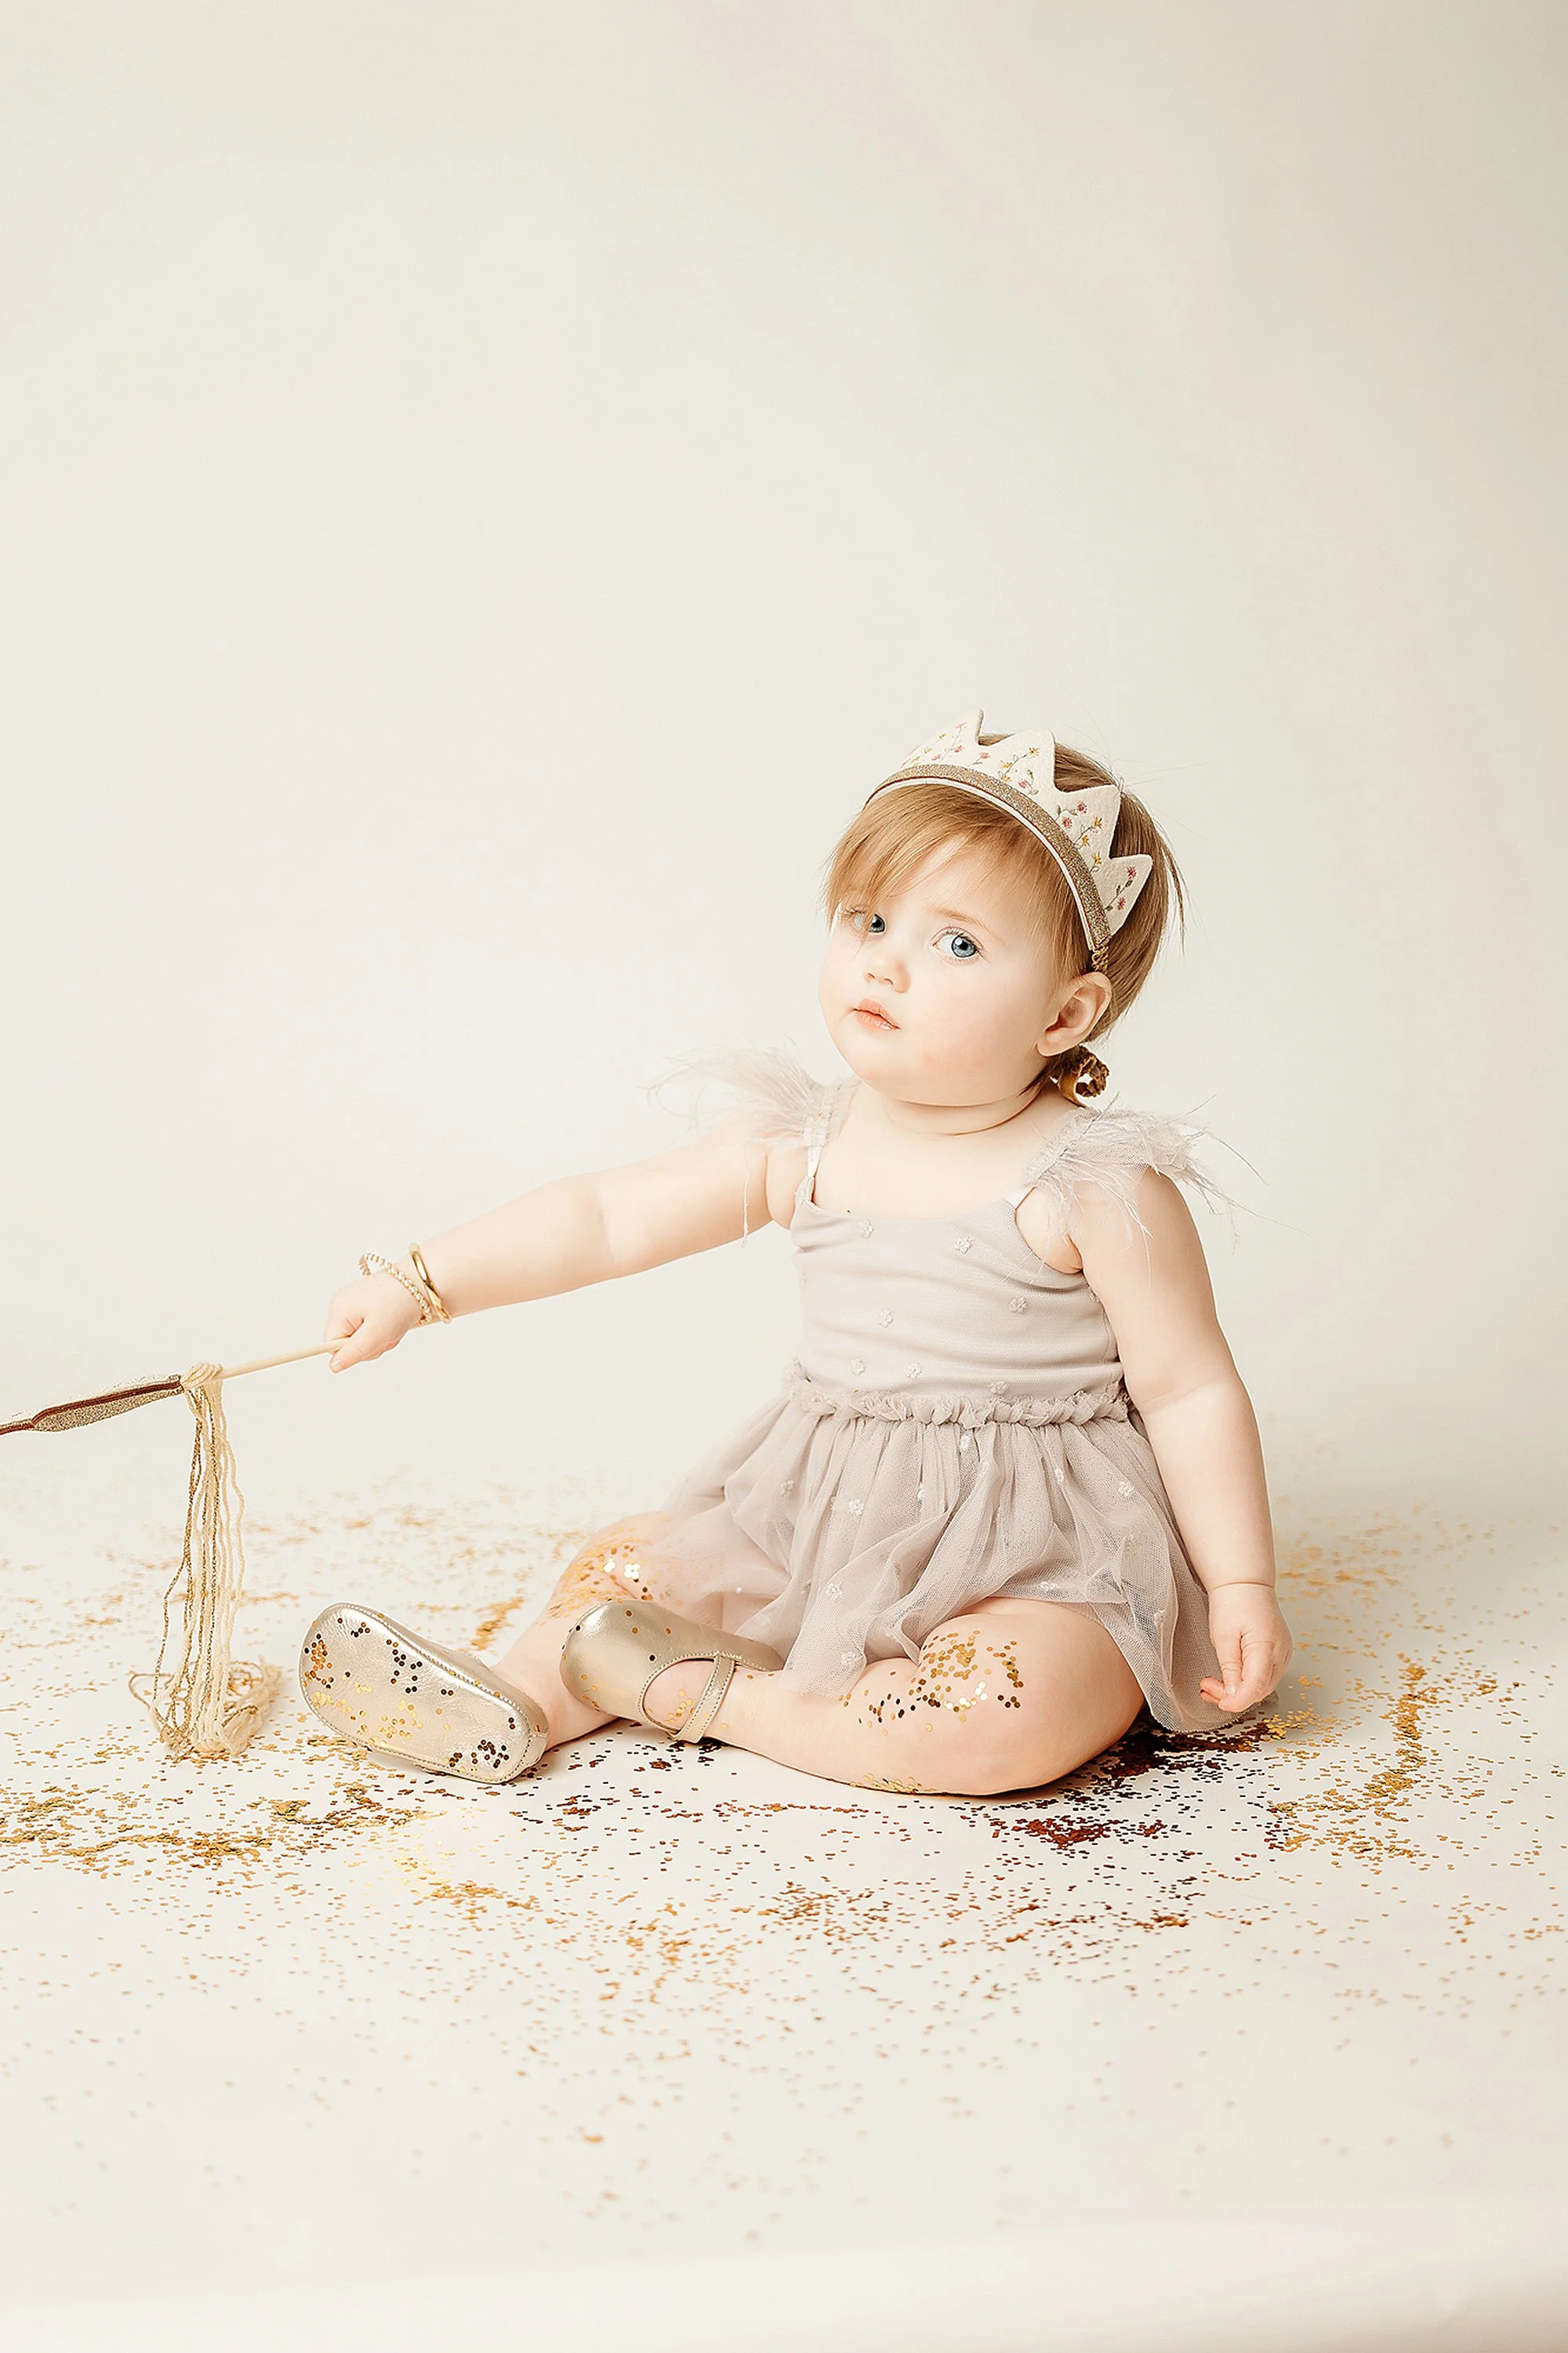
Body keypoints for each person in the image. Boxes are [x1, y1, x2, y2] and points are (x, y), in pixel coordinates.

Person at [299, 711, 1291, 1797]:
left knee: (1003, 1710)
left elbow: (1189, 1388)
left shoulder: (1093, 1187)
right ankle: (520, 1702)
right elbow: (605, 1217)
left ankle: (716, 1697)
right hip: (825, 1509)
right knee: (617, 1574)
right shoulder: (801, 1141)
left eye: (956, 944)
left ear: (1065, 1013)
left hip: (1037, 1543)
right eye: (869, 920)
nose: (889, 966)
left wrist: (1240, 1582)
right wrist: (421, 1279)